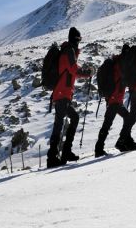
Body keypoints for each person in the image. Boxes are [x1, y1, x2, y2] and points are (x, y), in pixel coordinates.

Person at [45, 27, 91, 167]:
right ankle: (59, 154)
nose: (79, 42)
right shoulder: (68, 51)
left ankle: (59, 154)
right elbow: (73, 69)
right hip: (62, 94)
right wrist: (87, 72)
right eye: (79, 39)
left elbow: (71, 70)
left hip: (62, 93)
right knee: (67, 121)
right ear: (75, 39)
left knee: (60, 124)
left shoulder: (68, 51)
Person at [95, 45, 132, 157]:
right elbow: (123, 79)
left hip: (114, 98)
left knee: (127, 117)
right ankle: (100, 148)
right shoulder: (121, 63)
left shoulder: (118, 61)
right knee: (108, 123)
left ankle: (124, 141)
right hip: (115, 98)